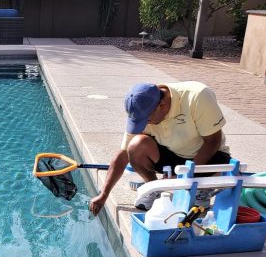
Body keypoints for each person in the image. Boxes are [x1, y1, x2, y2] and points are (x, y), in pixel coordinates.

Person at [88, 81, 231, 216]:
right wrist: (103, 195)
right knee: (135, 145)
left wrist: (184, 175)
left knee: (208, 172)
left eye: (147, 120)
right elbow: (123, 154)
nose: (144, 124)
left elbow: (213, 141)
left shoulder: (198, 96)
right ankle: (155, 189)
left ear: (161, 105)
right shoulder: (142, 107)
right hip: (173, 156)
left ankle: (200, 189)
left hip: (208, 158)